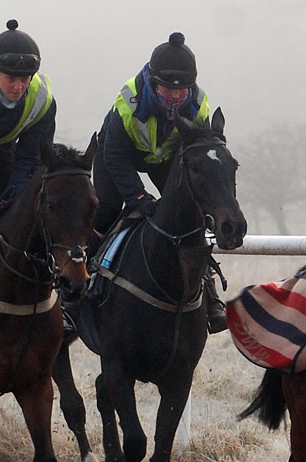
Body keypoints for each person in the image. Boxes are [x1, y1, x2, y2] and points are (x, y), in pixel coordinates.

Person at [91, 32, 227, 333]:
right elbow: (113, 157)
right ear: (153, 81)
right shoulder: (129, 102)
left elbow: (195, 156)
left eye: (183, 91)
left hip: (165, 158)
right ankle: (83, 286)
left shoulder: (199, 106)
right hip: (119, 155)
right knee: (108, 208)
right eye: (168, 90)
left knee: (188, 216)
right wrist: (139, 198)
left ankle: (211, 295)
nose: (177, 97)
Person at [0, 19, 55, 217]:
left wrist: (17, 191)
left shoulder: (43, 100)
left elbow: (30, 157)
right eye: (10, 79)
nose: (18, 87)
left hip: (0, 151)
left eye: (24, 79)